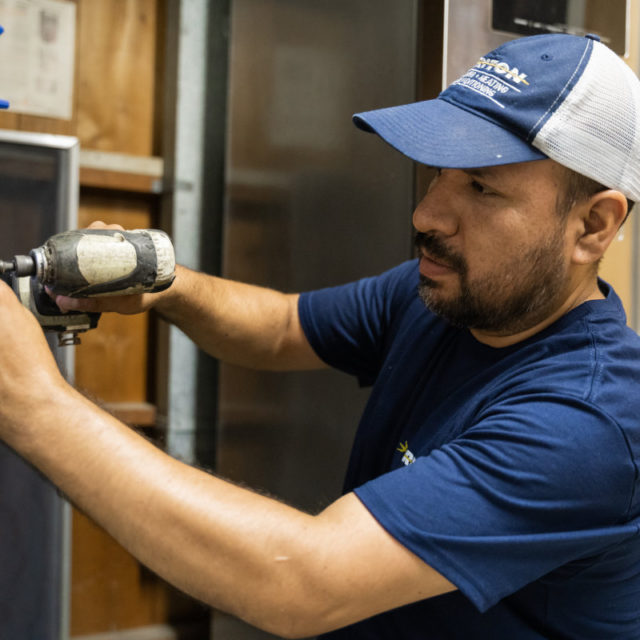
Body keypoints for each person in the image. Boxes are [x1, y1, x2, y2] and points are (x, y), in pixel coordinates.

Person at [1, 31, 640, 639]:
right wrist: (167, 285)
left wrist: (30, 399)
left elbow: (303, 581)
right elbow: (282, 327)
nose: (426, 215)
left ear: (593, 226)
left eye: (480, 186)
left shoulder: (585, 423)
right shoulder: (451, 293)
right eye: (438, 171)